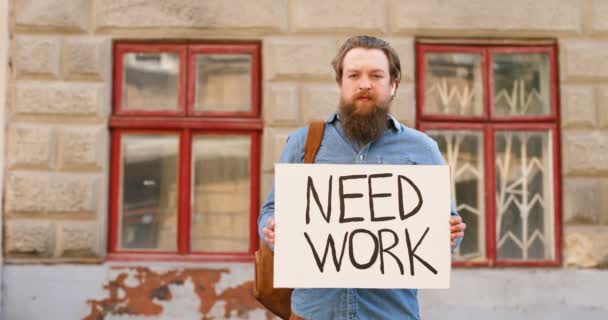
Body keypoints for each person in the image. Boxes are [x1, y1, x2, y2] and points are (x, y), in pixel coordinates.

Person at [258, 35, 466, 320]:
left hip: (391, 314)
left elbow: (445, 228)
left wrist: (450, 233)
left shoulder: (422, 149)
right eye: (354, 75)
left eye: (376, 75)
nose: (364, 84)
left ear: (393, 85)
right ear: (340, 84)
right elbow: (271, 211)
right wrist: (271, 231)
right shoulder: (303, 143)